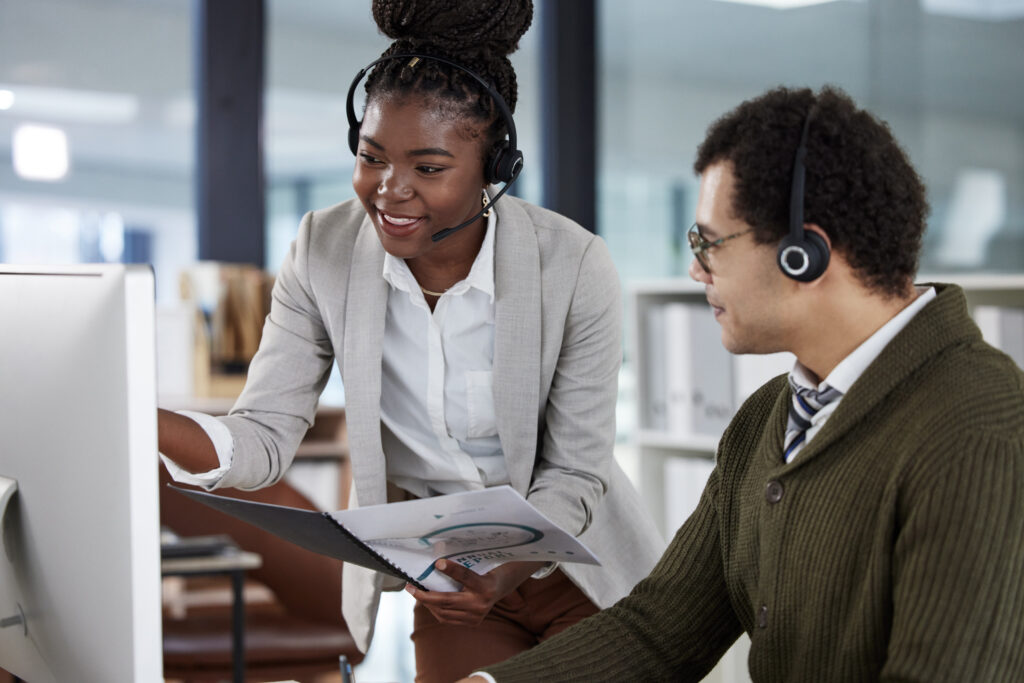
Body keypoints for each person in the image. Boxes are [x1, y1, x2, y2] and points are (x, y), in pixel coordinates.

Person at [156, 1, 664, 681]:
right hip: (453, 581)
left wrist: (503, 567)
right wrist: (141, 416)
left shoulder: (571, 263)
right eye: (371, 158)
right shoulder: (323, 249)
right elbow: (263, 436)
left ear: (493, 169)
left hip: (579, 567)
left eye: (429, 168)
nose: (390, 191)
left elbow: (575, 471)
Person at [461, 85, 1024, 682]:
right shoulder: (769, 417)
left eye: (709, 242)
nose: (695, 268)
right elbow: (661, 631)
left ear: (804, 253)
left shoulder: (978, 429)